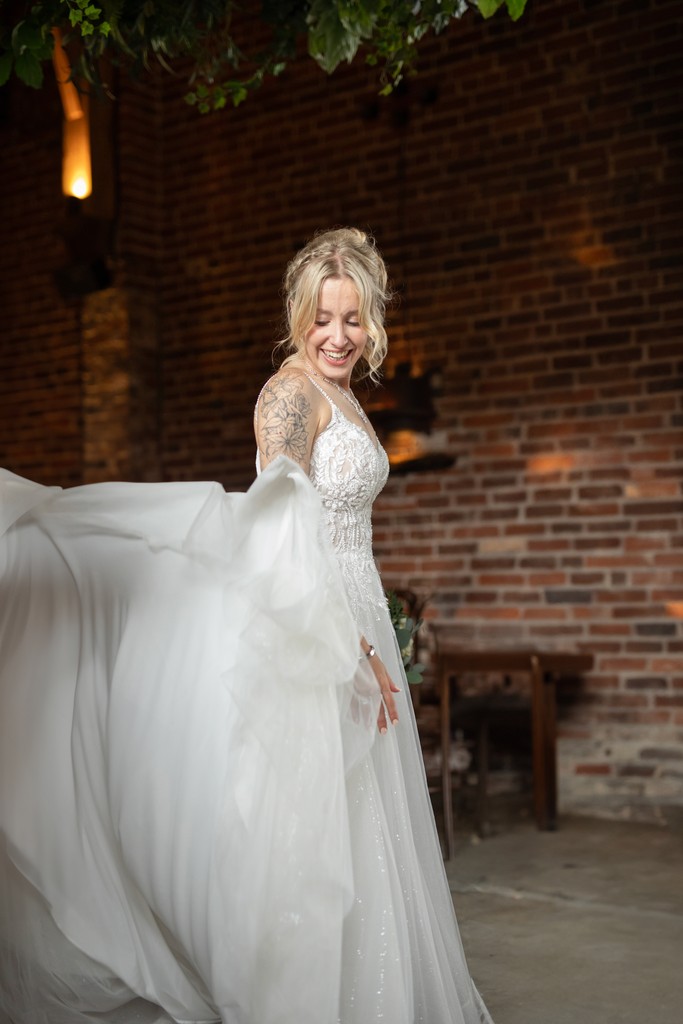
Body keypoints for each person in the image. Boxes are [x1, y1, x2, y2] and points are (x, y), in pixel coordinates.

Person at [0, 229, 492, 1024]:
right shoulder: (290, 395)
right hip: (317, 632)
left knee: (366, 818)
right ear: (297, 316)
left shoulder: (346, 395)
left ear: (374, 323)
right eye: (321, 318)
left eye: (354, 319)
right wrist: (354, 647)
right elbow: (278, 529)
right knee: (313, 826)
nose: (337, 336)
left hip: (354, 609)